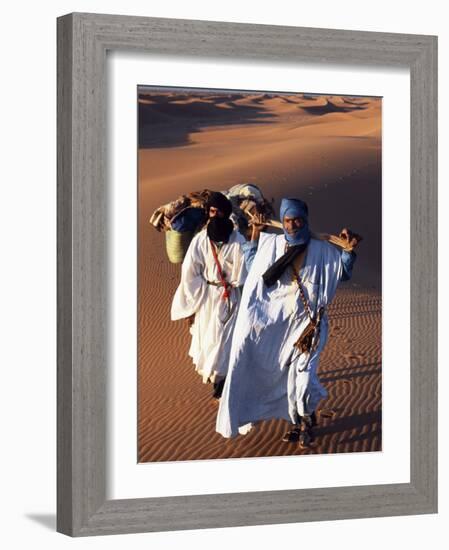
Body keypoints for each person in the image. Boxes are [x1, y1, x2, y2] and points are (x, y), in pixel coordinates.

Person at [216, 197, 359, 446]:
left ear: (306, 220)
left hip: (309, 327)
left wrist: (348, 251)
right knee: (282, 376)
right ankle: (298, 419)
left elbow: (342, 273)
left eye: (297, 220)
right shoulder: (272, 245)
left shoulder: (323, 249)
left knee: (302, 378)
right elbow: (253, 267)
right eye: (288, 221)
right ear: (282, 221)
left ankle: (302, 423)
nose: (293, 225)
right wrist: (255, 235)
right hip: (278, 327)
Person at [171, 192, 247, 399]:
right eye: (213, 211)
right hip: (208, 297)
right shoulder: (200, 240)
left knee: (226, 339)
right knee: (208, 339)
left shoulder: (238, 239)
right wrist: (193, 304)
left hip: (231, 297)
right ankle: (217, 378)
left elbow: (244, 272)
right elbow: (190, 272)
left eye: (220, 212)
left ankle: (222, 382)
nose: (216, 215)